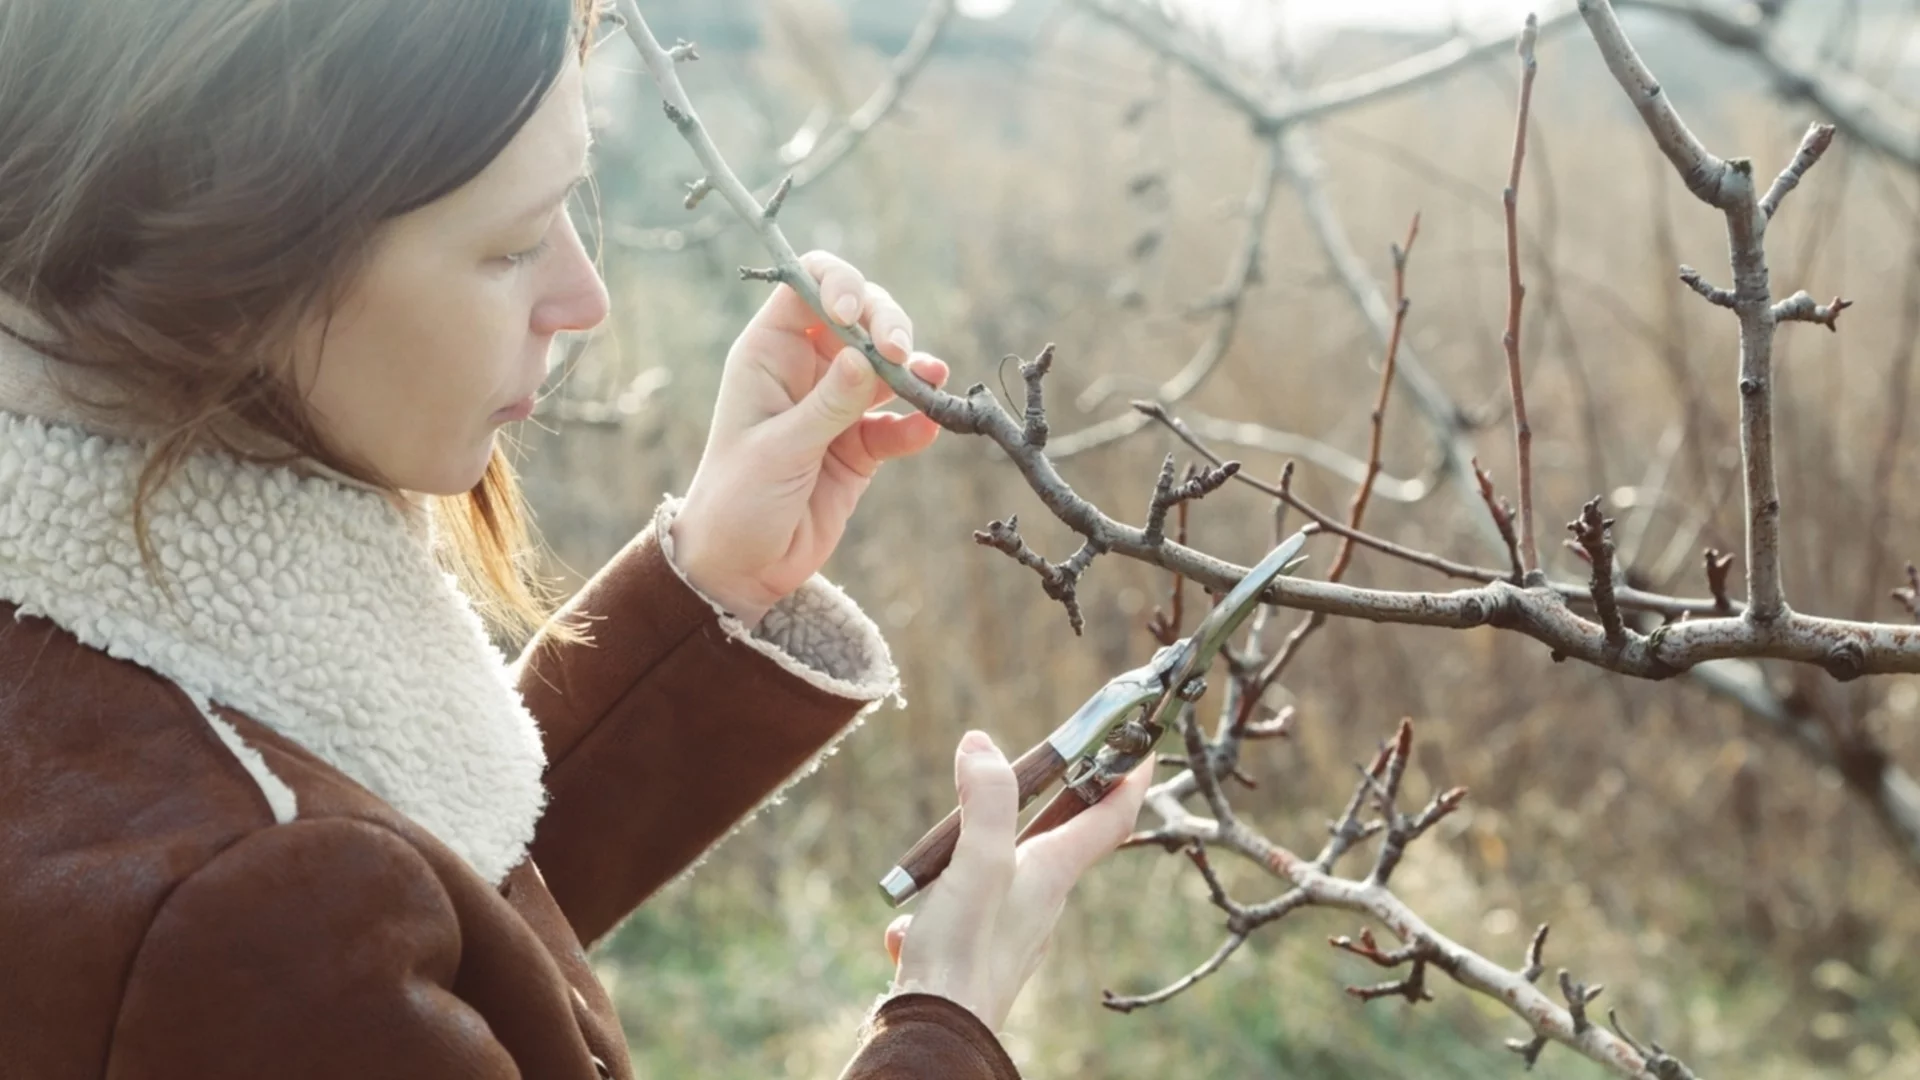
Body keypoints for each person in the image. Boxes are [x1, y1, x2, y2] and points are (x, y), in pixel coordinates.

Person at [0, 1, 1151, 1077]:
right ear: (243, 258)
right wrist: (947, 1020)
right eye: (508, 246)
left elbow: (420, 929)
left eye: (570, 205)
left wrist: (711, 585)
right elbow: (310, 918)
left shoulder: (106, 671)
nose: (582, 295)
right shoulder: (230, 913)